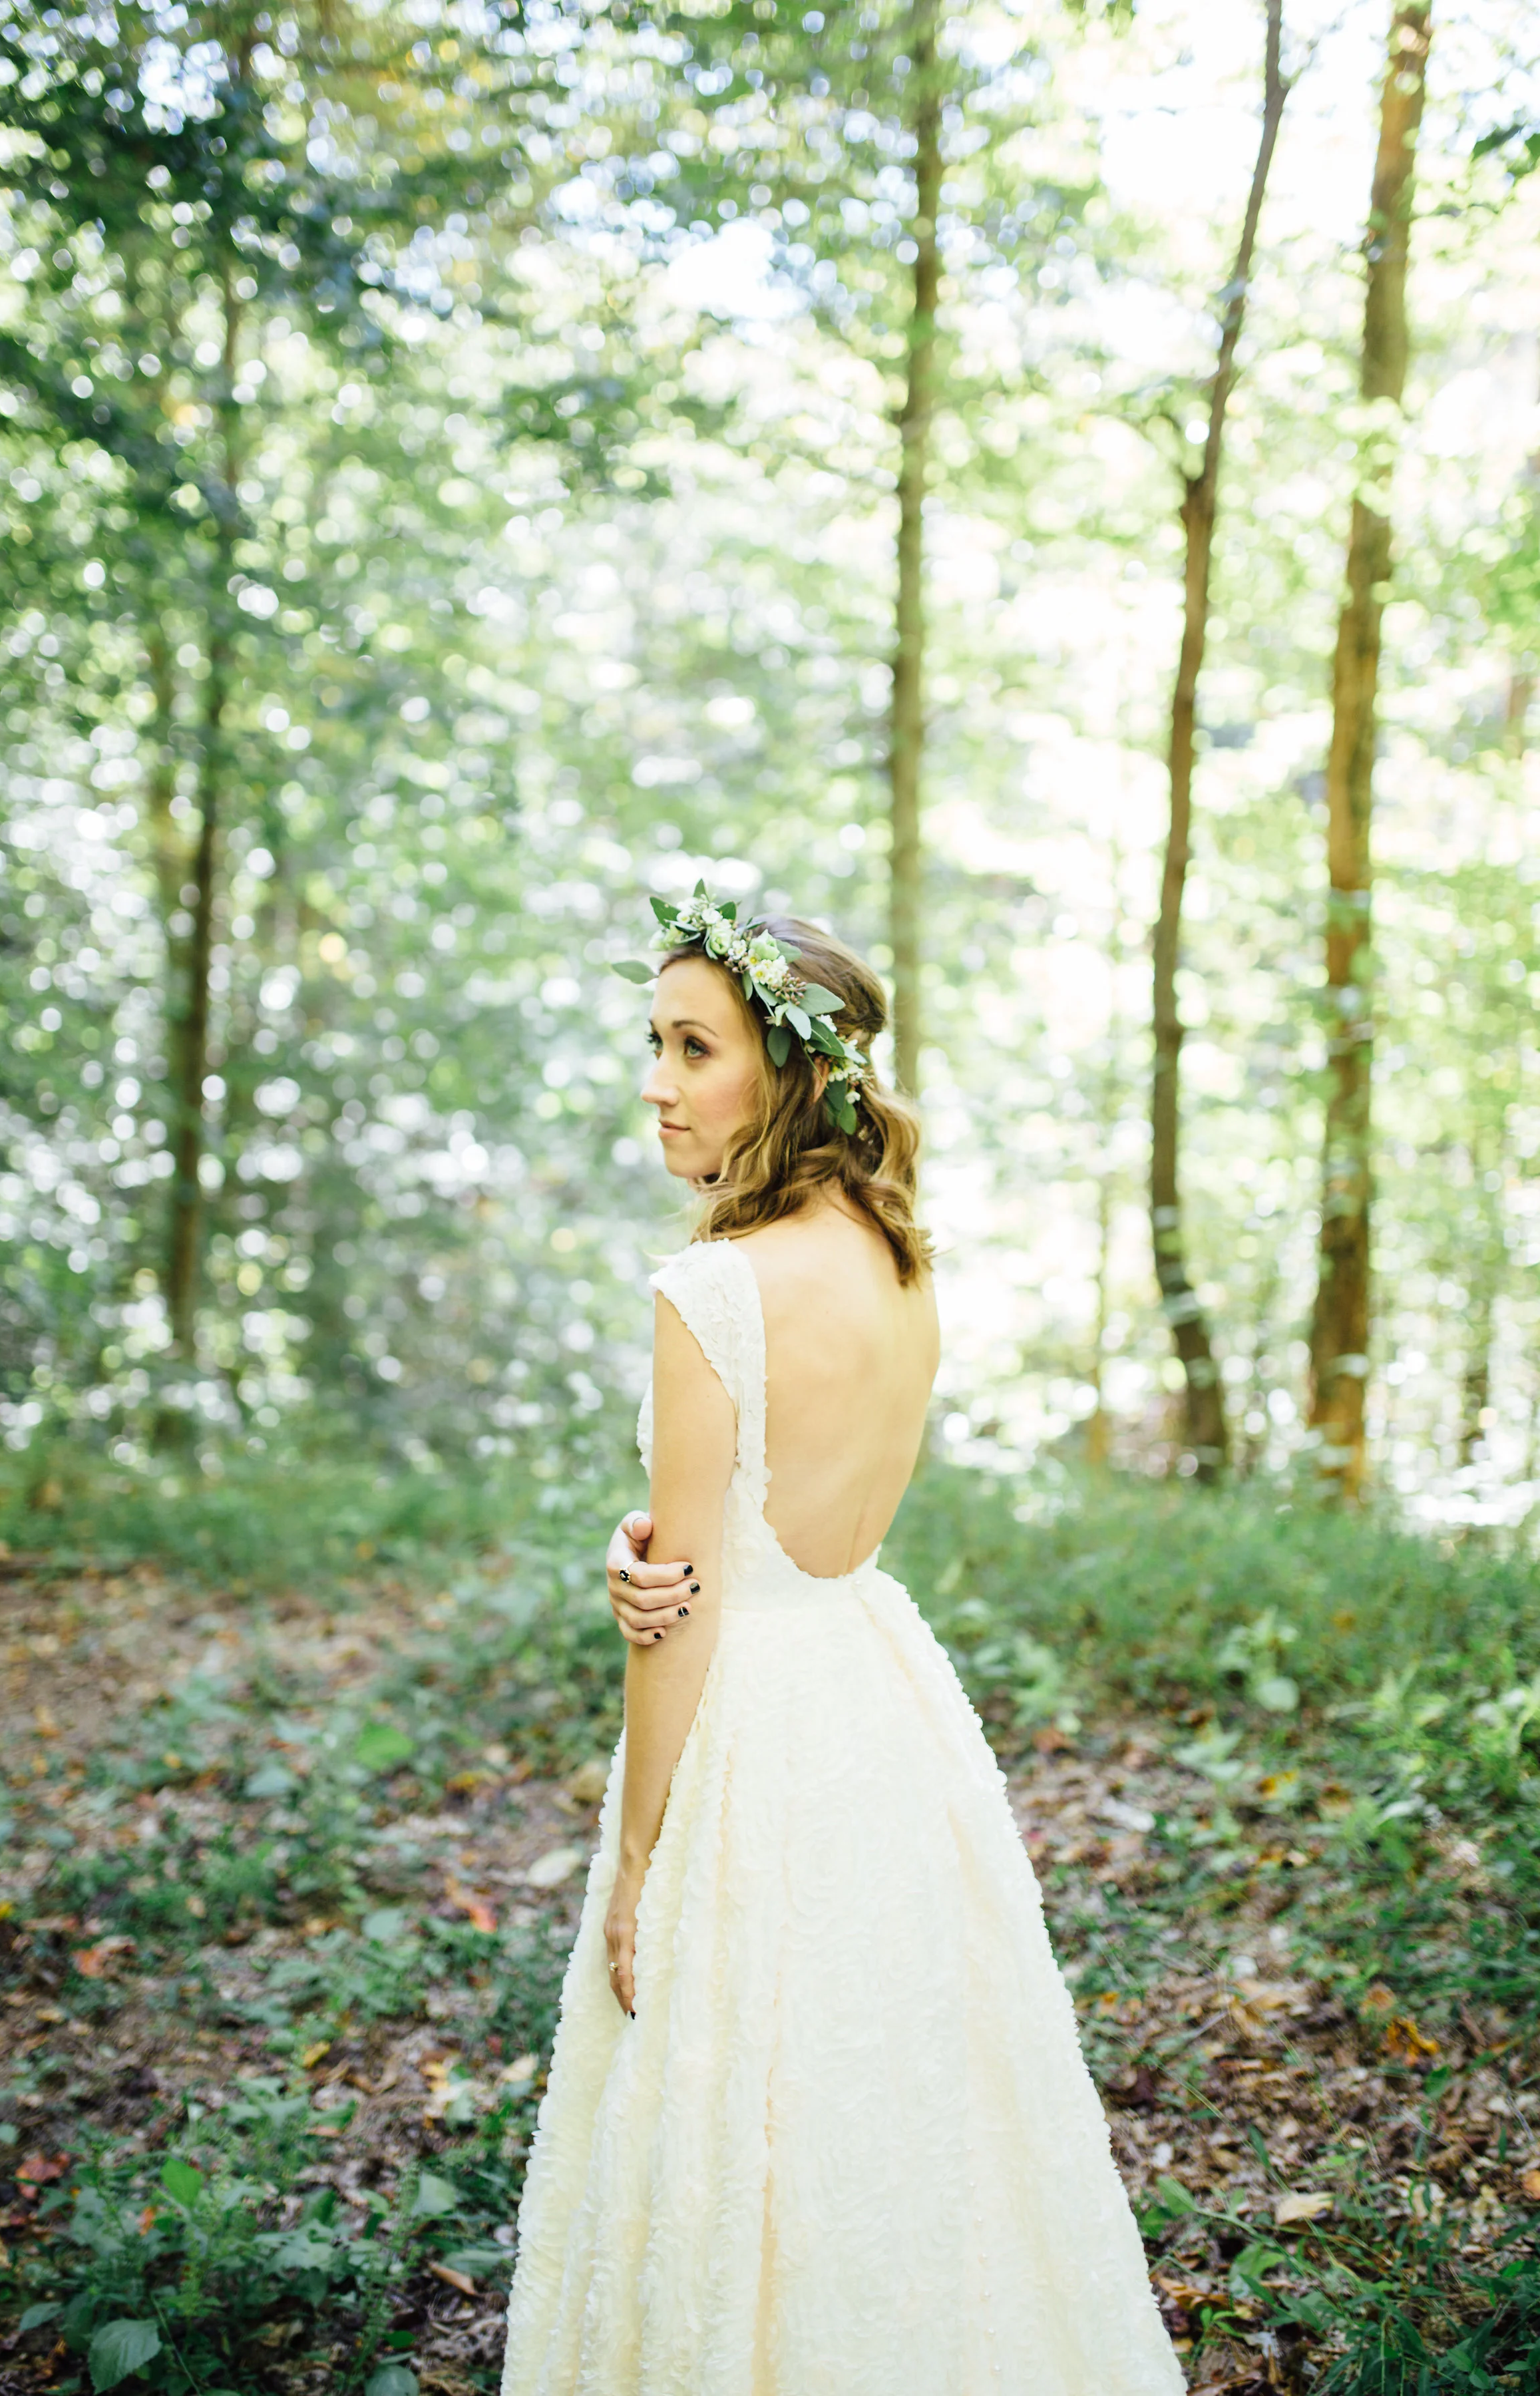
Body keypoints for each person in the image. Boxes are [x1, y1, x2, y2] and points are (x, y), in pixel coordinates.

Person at [500, 893, 1185, 2395]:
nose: (656, 1082)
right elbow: (786, 1524)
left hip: (754, 1717)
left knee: (730, 2091)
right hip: (877, 1696)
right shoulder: (900, 1260)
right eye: (653, 1043)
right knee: (896, 2089)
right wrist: (667, 1552)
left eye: (694, 1047)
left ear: (787, 1070)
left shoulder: (711, 1290)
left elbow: (683, 1608)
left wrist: (635, 1858)